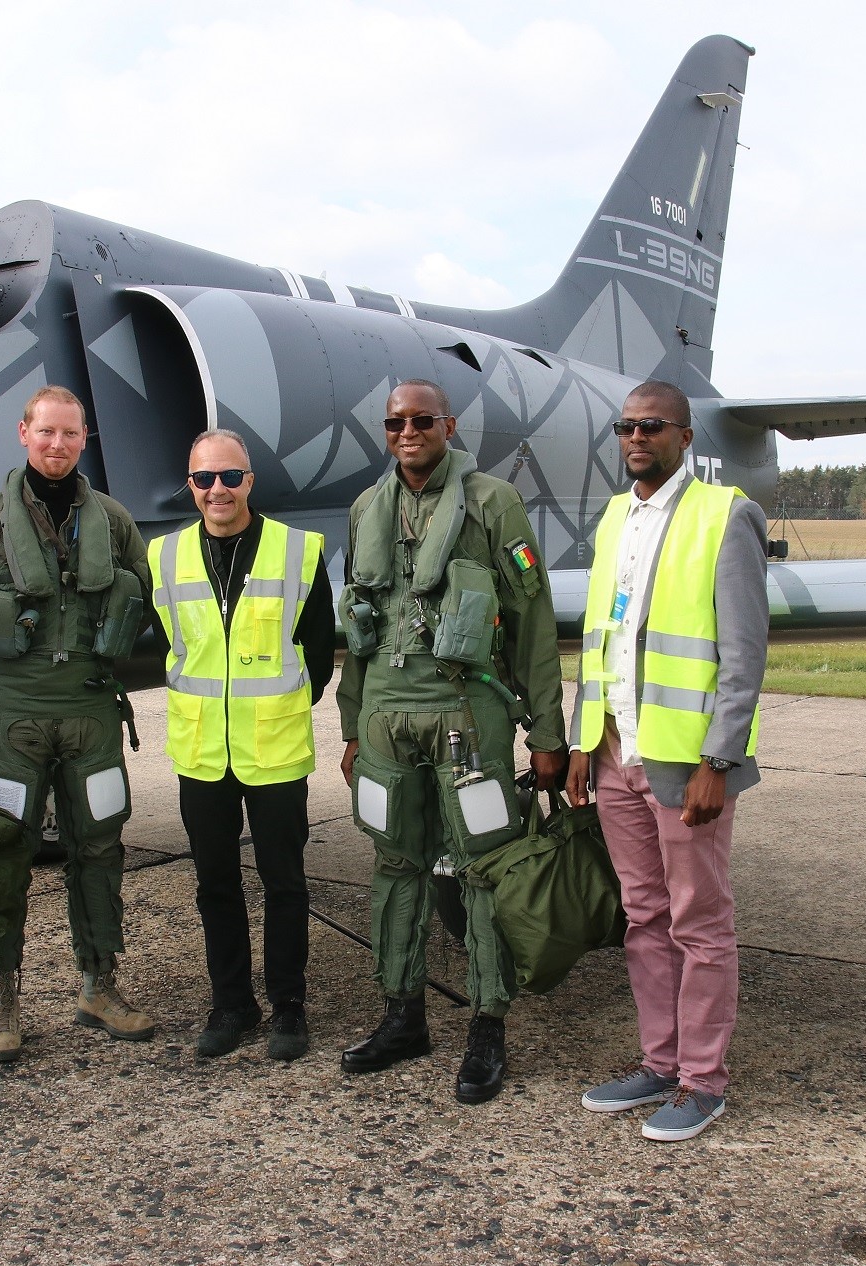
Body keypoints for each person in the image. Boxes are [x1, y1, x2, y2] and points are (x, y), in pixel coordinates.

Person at [336, 378, 568, 1105]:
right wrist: (349, 724)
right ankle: (402, 1015)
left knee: (482, 867)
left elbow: (532, 622)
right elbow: (359, 631)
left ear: (448, 425)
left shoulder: (494, 503)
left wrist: (549, 731)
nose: (409, 432)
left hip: (468, 713)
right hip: (385, 714)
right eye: (396, 422)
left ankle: (487, 1028)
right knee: (394, 864)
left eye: (422, 420)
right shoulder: (367, 509)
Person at [565, 379, 768, 1141]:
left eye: (653, 426)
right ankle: (659, 1063)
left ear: (686, 437)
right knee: (643, 916)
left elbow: (744, 654)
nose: (637, 437)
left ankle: (704, 1081)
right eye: (626, 426)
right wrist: (585, 740)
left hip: (686, 762)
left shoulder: (727, 515)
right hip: (617, 750)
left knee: (699, 922)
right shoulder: (617, 515)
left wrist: (722, 757)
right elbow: (603, 638)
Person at [0, 384, 155, 1061]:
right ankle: (1, 997)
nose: (57, 445)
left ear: (85, 439)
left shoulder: (113, 521)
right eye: (46, 432)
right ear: (23, 433)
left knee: (100, 851)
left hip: (89, 713)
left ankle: (99, 984)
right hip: (10, 720)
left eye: (70, 433)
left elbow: (153, 600)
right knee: (4, 858)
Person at [147, 431, 335, 1061]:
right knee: (215, 885)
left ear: (249, 480)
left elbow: (318, 648)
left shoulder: (298, 551)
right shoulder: (165, 557)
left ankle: (288, 1007)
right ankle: (231, 1005)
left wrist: (274, 708)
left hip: (274, 749)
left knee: (285, 883)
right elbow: (166, 646)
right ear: (190, 485)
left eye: (229, 477)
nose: (217, 491)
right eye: (204, 480)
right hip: (202, 752)